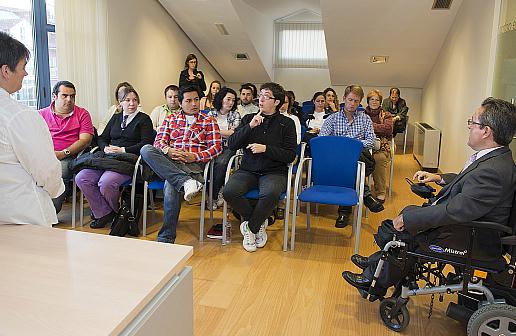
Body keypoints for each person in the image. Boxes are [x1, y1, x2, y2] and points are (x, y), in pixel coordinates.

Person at [343, 97, 516, 297]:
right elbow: (467, 181)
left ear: (486, 131)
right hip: (469, 226)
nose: (469, 127)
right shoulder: (495, 159)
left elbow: (457, 210)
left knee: (408, 222)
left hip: (472, 237)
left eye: (472, 122)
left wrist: (409, 219)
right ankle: (377, 263)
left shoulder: (493, 170)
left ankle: (374, 280)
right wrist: (438, 177)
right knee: (408, 216)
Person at [140, 85, 222, 244]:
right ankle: (185, 181)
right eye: (189, 100)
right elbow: (158, 142)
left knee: (170, 186)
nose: (194, 104)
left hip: (194, 166)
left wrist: (195, 156)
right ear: (180, 102)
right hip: (170, 162)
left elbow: (217, 148)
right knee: (146, 149)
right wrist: (168, 150)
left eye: (196, 100)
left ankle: (166, 238)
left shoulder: (209, 121)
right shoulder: (171, 119)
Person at [223, 82, 297, 252]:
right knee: (229, 192)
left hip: (274, 172)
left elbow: (290, 155)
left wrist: (266, 149)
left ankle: (250, 228)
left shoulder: (287, 124)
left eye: (266, 96)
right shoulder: (249, 119)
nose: (261, 99)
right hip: (248, 169)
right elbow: (232, 144)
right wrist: (250, 127)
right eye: (261, 95)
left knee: (270, 194)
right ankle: (257, 222)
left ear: (276, 102)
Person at [0, 32, 64, 226]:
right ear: (5, 71)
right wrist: (57, 190)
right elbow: (46, 170)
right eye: (23, 67)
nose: (26, 73)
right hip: (22, 215)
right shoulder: (18, 115)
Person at [75, 88, 154, 228]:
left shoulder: (144, 119)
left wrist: (123, 149)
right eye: (127, 100)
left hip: (128, 159)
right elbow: (102, 137)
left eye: (135, 100)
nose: (132, 103)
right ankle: (105, 212)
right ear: (120, 103)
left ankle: (117, 214)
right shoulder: (116, 118)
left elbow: (146, 143)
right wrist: (105, 147)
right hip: (108, 157)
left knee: (105, 183)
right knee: (82, 178)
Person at [319, 85, 384, 228]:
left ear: (360, 102)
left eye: (356, 101)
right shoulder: (332, 119)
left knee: (351, 160)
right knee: (346, 165)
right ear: (344, 99)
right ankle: (364, 196)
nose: (352, 104)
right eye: (350, 100)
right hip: (336, 160)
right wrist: (342, 146)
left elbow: (371, 141)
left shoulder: (365, 119)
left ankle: (344, 211)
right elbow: (322, 140)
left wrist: (351, 144)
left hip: (359, 157)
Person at [39, 80, 94, 214]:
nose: (69, 99)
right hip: (43, 156)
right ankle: (34, 210)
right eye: (64, 95)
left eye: (72, 96)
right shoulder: (40, 115)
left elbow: (85, 140)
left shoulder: (82, 114)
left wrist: (62, 153)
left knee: (59, 171)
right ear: (54, 96)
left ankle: (50, 213)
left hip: (70, 157)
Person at [205, 87, 241, 239]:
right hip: (209, 146)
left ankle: (213, 195)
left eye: (233, 100)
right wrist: (221, 132)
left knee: (221, 163)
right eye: (228, 99)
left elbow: (234, 133)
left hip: (227, 148)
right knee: (206, 165)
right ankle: (211, 192)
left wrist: (215, 131)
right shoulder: (211, 113)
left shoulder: (235, 114)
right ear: (221, 99)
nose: (231, 102)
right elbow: (206, 131)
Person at [364, 90, 393, 203]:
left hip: (381, 146)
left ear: (380, 102)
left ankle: (381, 192)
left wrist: (370, 125)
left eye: (377, 100)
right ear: (368, 101)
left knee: (379, 159)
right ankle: (362, 189)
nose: (374, 102)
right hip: (365, 145)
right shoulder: (362, 114)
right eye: (372, 99)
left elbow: (388, 129)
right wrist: (379, 126)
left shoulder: (386, 114)